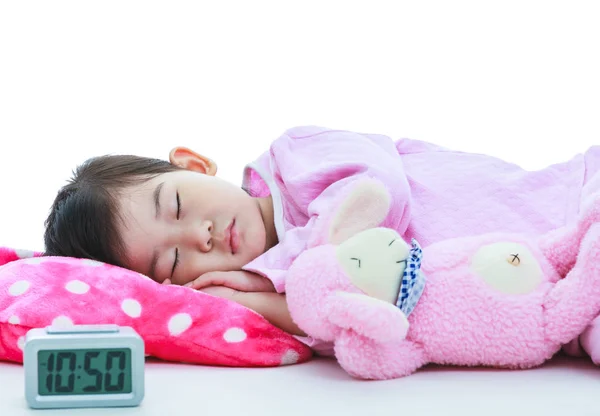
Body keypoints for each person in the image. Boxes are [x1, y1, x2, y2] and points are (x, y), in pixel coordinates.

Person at [44, 125, 600, 356]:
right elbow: (345, 317)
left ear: (192, 164)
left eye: (178, 206)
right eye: (174, 258)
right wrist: (246, 299)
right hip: (551, 298)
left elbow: (377, 193)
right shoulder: (272, 287)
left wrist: (304, 271)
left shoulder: (296, 160)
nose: (201, 235)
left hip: (566, 199)